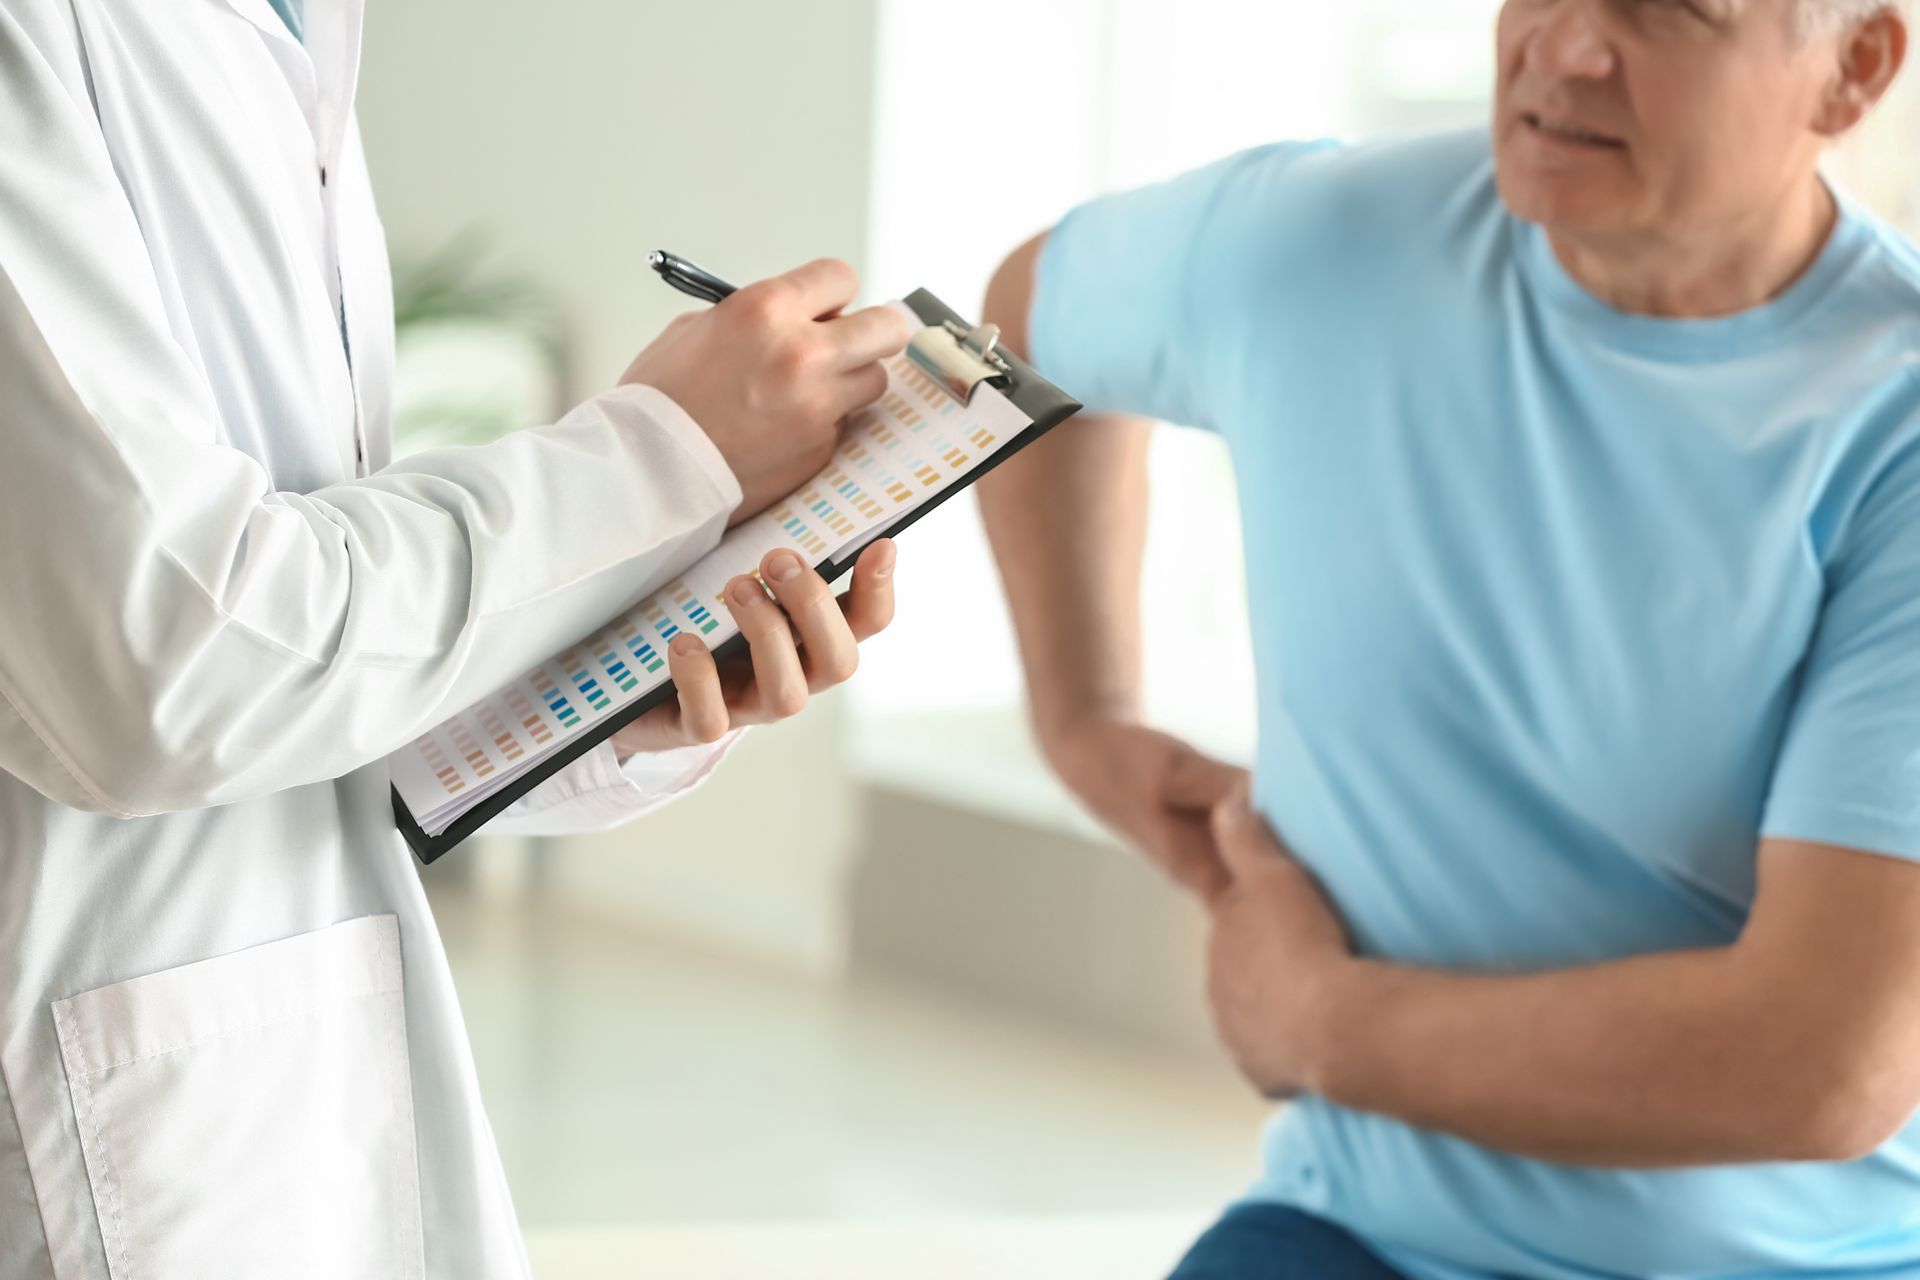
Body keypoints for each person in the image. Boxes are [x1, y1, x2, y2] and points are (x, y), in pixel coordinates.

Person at [979, 0, 1920, 1276]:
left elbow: (1820, 1061)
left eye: (1665, 12)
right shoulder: (1318, 242)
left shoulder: (1894, 425)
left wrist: (1321, 1023)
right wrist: (1082, 719)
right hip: (1357, 1234)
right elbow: (1022, 334)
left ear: (1853, 69)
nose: (1570, 48)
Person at [0, 1, 912, 1276]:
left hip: (275, 1115)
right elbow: (159, 666)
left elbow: (293, 675)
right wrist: (659, 454)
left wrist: (609, 677)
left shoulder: (297, 27)